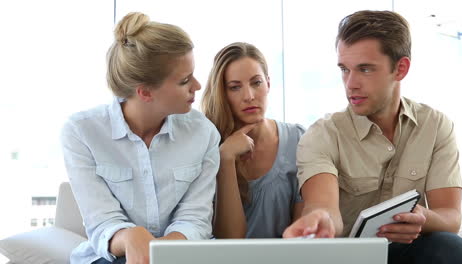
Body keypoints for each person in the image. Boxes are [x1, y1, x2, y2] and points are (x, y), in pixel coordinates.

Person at [283, 10, 462, 263]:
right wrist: (320, 219)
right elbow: (323, 206)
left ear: (400, 69)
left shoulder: (435, 126)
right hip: (348, 258)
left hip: (410, 250)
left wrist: (423, 218)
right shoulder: (322, 135)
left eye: (365, 69)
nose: (350, 84)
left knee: (450, 246)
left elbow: (450, 215)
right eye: (344, 70)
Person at [61, 12, 220, 264]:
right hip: (112, 258)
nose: (198, 86)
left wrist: (155, 251)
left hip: (183, 254)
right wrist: (130, 238)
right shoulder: (81, 132)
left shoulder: (203, 133)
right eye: (184, 80)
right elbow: (102, 223)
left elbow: (195, 220)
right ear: (145, 92)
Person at [201, 42, 304, 238]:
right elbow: (230, 240)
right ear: (222, 93)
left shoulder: (298, 139)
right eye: (235, 87)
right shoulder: (206, 146)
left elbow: (301, 239)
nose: (248, 96)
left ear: (268, 84)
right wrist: (226, 158)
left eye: (256, 83)